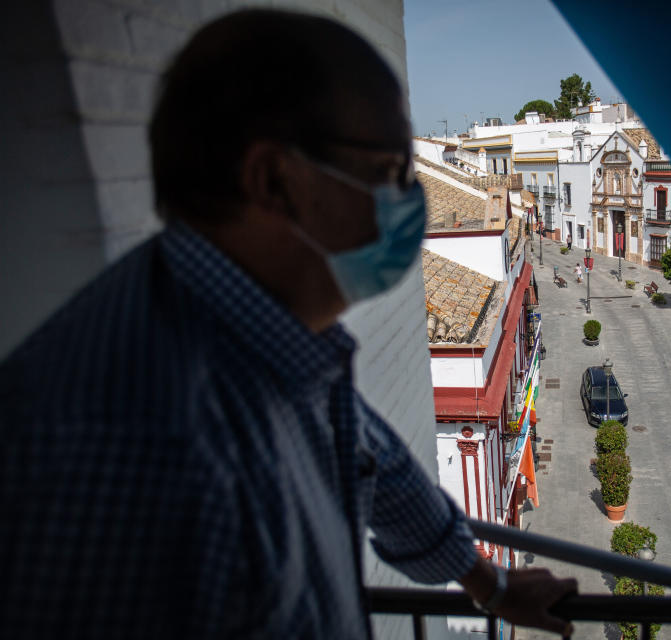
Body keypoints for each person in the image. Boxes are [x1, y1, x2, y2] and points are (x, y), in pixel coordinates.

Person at [0, 9, 575, 638]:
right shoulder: (133, 449)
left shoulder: (257, 332)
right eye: (387, 173)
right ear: (275, 179)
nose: (411, 202)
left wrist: (486, 580)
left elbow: (372, 460)